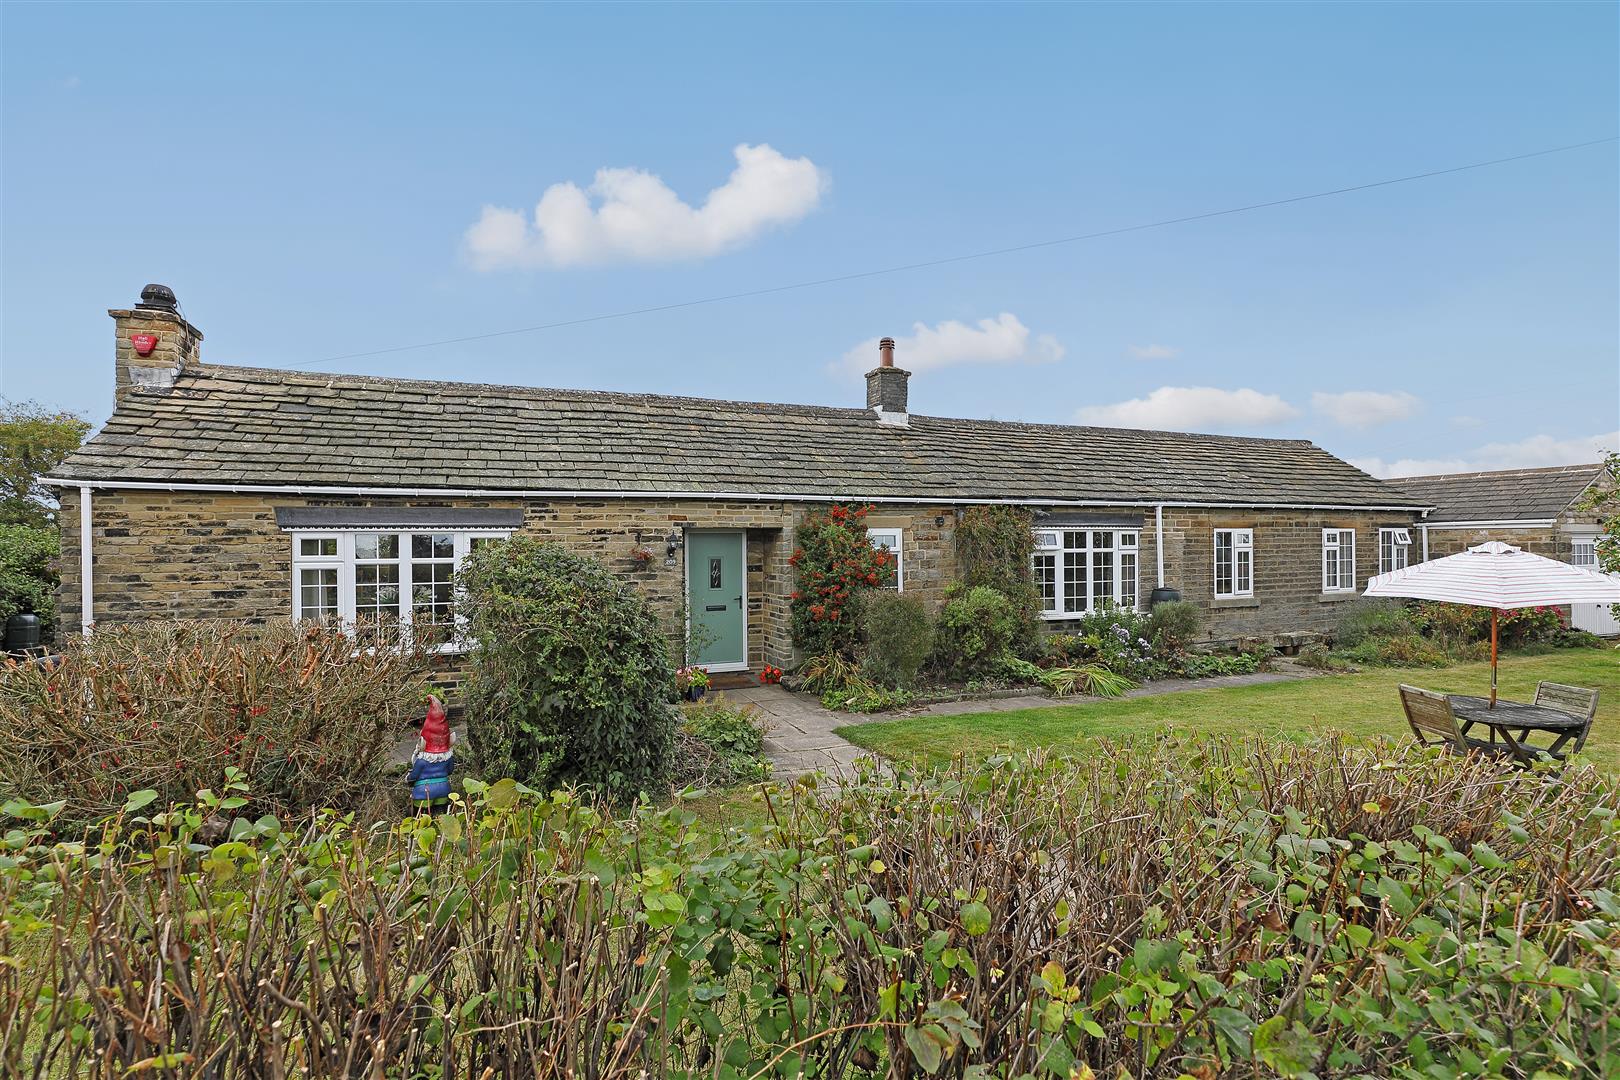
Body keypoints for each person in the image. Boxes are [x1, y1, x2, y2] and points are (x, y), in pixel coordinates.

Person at [406, 695, 455, 815]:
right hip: (443, 789)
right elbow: (450, 771)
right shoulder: (448, 758)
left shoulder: (422, 761)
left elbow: (414, 776)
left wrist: (408, 778)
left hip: (423, 792)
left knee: (420, 813)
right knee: (441, 812)